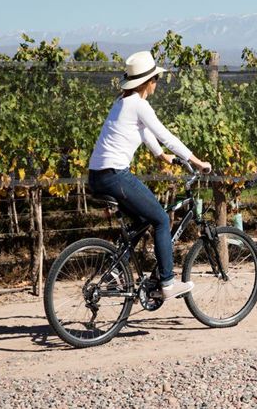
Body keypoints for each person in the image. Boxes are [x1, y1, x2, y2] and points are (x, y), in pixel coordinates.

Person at [87, 51, 211, 299]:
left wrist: (160, 156)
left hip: (97, 176)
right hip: (115, 175)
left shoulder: (122, 103)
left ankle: (114, 272)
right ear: (147, 82)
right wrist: (197, 162)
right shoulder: (139, 105)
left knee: (142, 221)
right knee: (162, 220)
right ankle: (167, 283)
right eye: (156, 79)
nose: (157, 84)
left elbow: (143, 133)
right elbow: (167, 136)